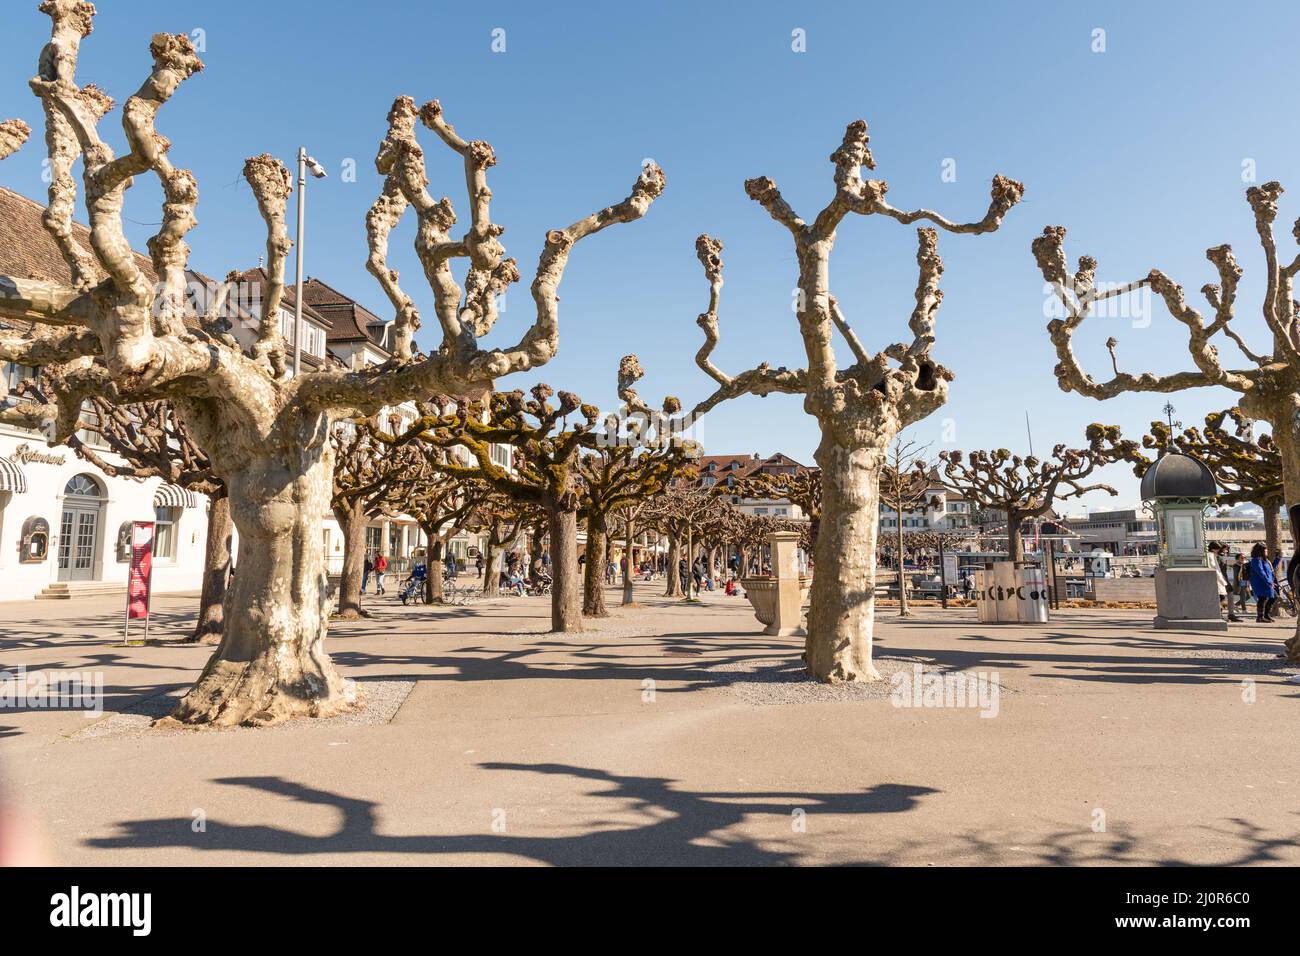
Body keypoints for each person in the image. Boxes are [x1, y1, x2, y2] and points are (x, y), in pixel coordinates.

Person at [1209, 543, 1240, 623]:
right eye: (1225, 549)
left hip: (1223, 580)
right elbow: (1218, 570)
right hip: (1221, 580)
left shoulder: (1219, 557)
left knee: (1225, 597)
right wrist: (1223, 581)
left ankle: (1228, 614)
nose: (1226, 551)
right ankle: (1226, 614)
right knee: (1222, 598)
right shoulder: (1217, 557)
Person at [1249, 543, 1277, 623]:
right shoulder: (1256, 560)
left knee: (1274, 597)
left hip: (1267, 582)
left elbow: (1271, 569)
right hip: (1261, 582)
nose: (1267, 551)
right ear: (1260, 551)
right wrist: (1269, 581)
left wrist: (1278, 558)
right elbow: (1260, 572)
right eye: (1265, 550)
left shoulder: (1264, 560)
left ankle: (1266, 615)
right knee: (1262, 599)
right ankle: (1260, 617)